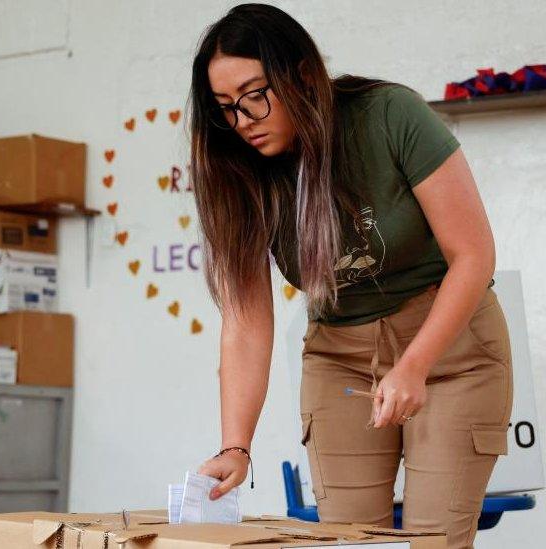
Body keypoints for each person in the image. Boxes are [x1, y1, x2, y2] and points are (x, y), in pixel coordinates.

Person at [189, 5, 513, 548]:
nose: (244, 119)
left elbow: (473, 256)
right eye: (226, 108)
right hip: (340, 360)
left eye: (255, 94)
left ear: (300, 72)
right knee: (349, 543)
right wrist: (235, 446)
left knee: (432, 541)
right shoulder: (237, 174)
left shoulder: (389, 114)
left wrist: (414, 365)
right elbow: (246, 322)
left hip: (452, 353)